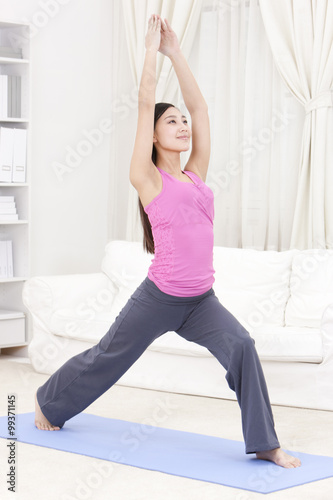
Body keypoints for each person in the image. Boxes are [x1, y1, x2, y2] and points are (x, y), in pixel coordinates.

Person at [35, 14, 301, 469]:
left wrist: (177, 52)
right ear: (154, 136)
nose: (183, 126)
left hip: (202, 302)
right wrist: (150, 52)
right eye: (171, 122)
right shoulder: (148, 179)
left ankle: (264, 443)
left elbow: (201, 111)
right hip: (158, 298)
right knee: (108, 356)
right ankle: (49, 403)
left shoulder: (195, 174)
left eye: (182, 122)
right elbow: (144, 104)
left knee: (242, 346)